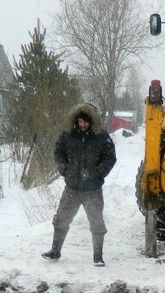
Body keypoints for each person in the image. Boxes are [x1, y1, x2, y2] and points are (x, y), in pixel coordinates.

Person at [42, 103, 117, 267]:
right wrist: (65, 169)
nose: (82, 125)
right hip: (72, 188)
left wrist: (99, 173)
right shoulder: (67, 135)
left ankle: (98, 257)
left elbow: (110, 157)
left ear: (92, 122)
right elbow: (58, 152)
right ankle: (55, 251)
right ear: (75, 121)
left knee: (97, 222)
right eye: (80, 121)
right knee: (61, 219)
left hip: (93, 190)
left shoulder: (102, 137)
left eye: (85, 122)